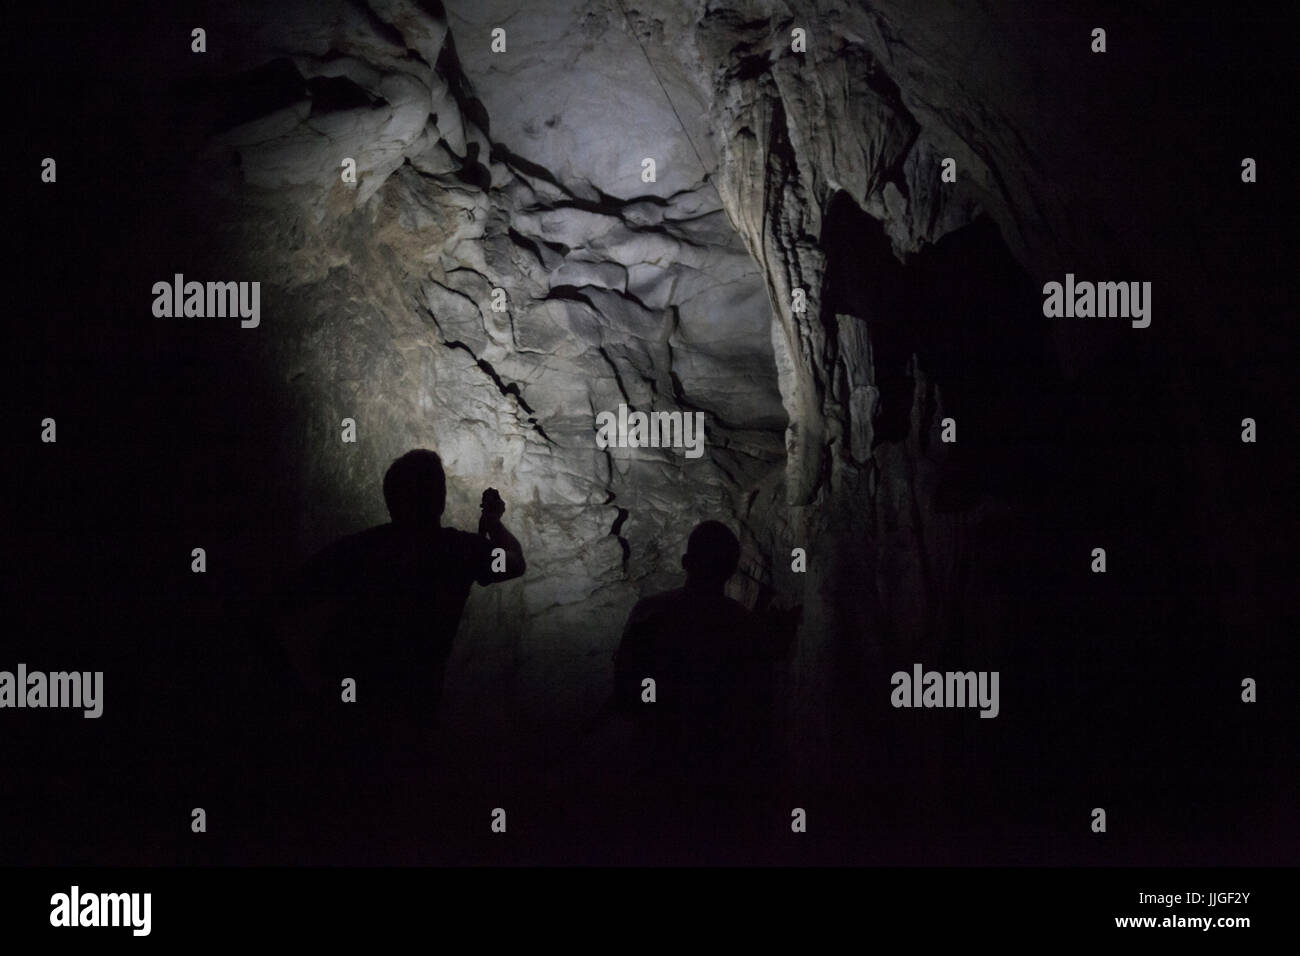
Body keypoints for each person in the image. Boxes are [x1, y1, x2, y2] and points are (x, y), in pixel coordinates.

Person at [278, 449, 525, 860]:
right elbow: (515, 562)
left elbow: (281, 602)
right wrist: (493, 524)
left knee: (337, 831)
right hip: (411, 721)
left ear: (391, 498)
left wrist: (297, 685)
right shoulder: (457, 552)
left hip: (339, 722)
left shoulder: (359, 551)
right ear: (440, 500)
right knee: (396, 830)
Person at [612, 521, 792, 859]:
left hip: (658, 766)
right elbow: (759, 714)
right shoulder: (745, 628)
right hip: (720, 776)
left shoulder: (650, 613)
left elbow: (626, 695)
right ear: (730, 570)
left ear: (685, 562)